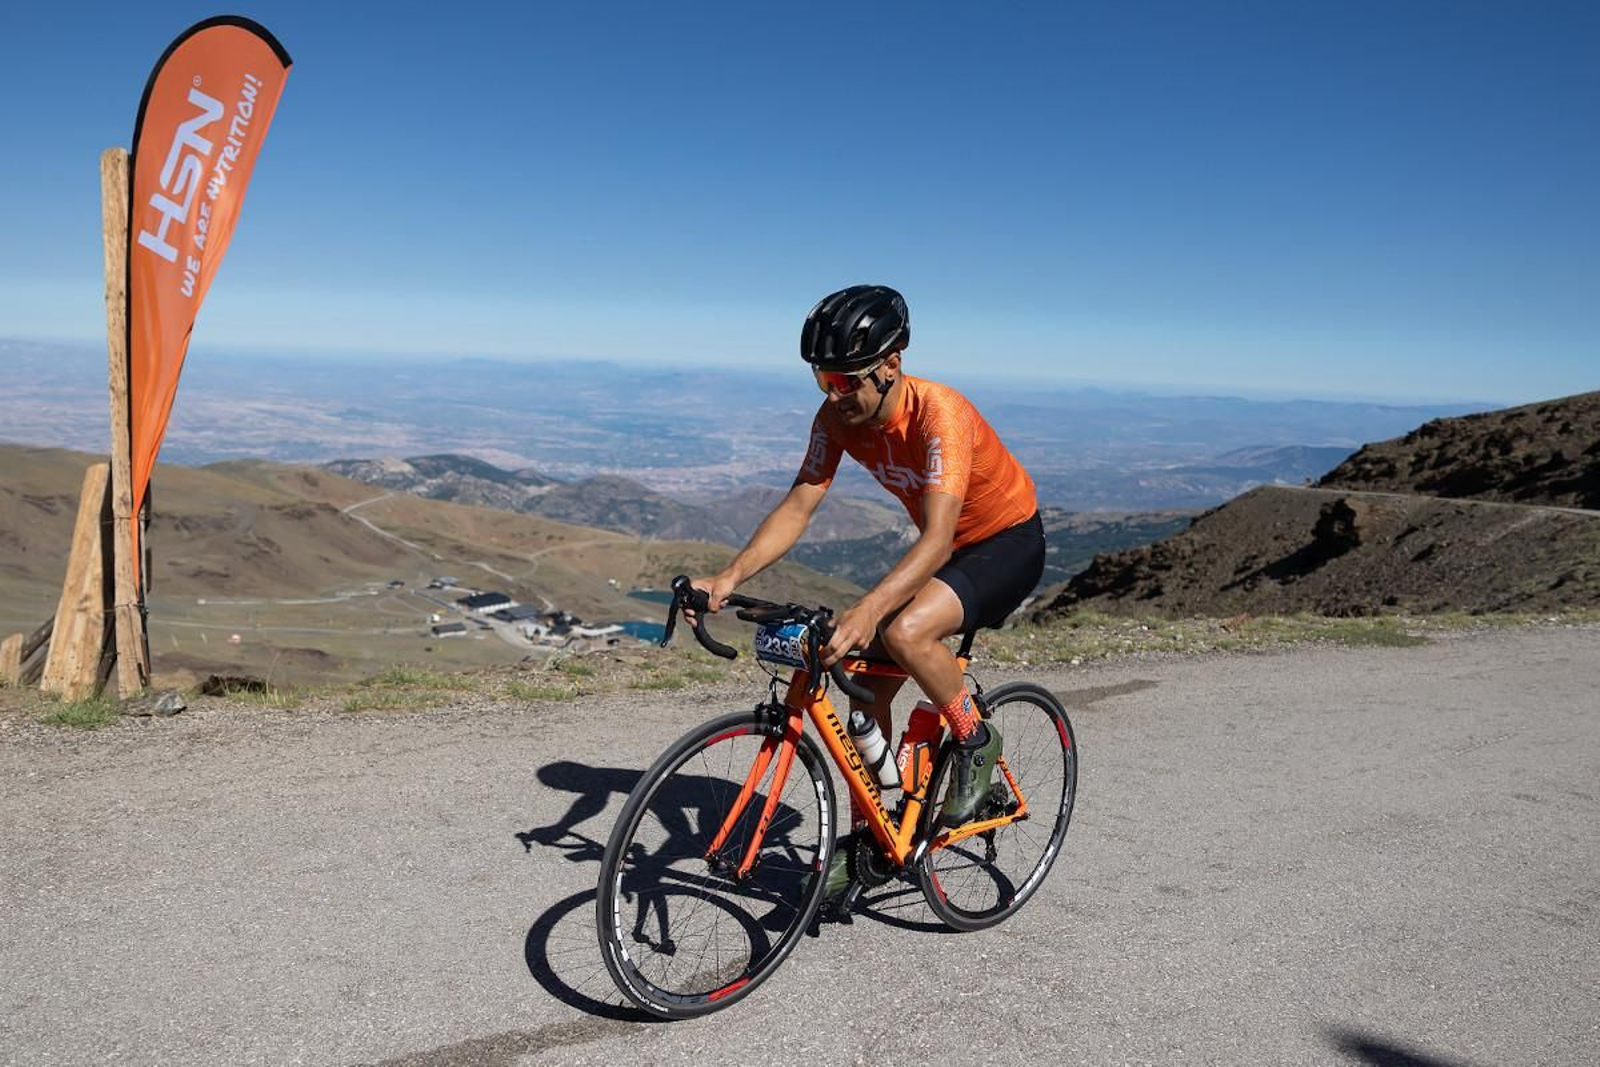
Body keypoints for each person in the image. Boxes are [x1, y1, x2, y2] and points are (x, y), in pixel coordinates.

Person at [691, 284, 1044, 897]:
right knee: (861, 708)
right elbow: (800, 505)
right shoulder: (835, 418)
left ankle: (975, 738)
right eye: (823, 379)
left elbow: (936, 541)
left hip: (1007, 543)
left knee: (905, 631)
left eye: (846, 380)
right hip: (951, 552)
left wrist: (871, 608)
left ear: (891, 366)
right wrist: (729, 577)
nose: (834, 394)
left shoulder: (941, 414)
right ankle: (878, 840)